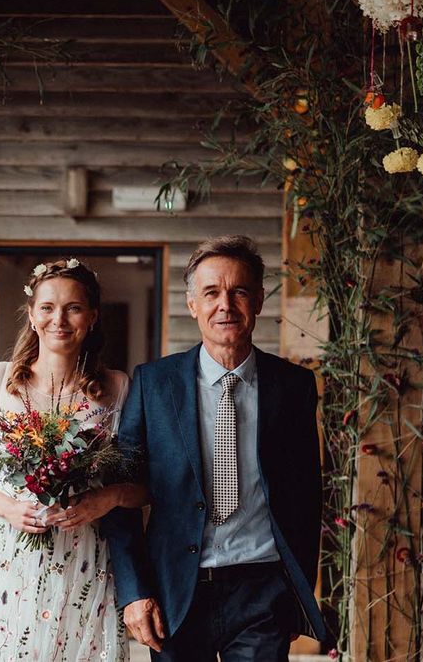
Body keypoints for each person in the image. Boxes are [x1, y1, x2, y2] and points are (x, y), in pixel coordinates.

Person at [103, 235, 327, 661]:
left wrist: (296, 587)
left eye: (239, 291)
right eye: (211, 293)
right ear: (193, 305)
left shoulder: (293, 387)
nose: (225, 304)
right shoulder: (153, 384)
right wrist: (134, 592)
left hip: (263, 589)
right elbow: (120, 496)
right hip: (176, 591)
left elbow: (305, 495)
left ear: (258, 300)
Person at [0, 258, 148, 661]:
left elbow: (143, 485)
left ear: (92, 317)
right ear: (32, 314)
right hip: (11, 554)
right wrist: (10, 508)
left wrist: (104, 499)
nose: (59, 319)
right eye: (47, 307)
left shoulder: (117, 387)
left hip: (85, 554)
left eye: (73, 308)